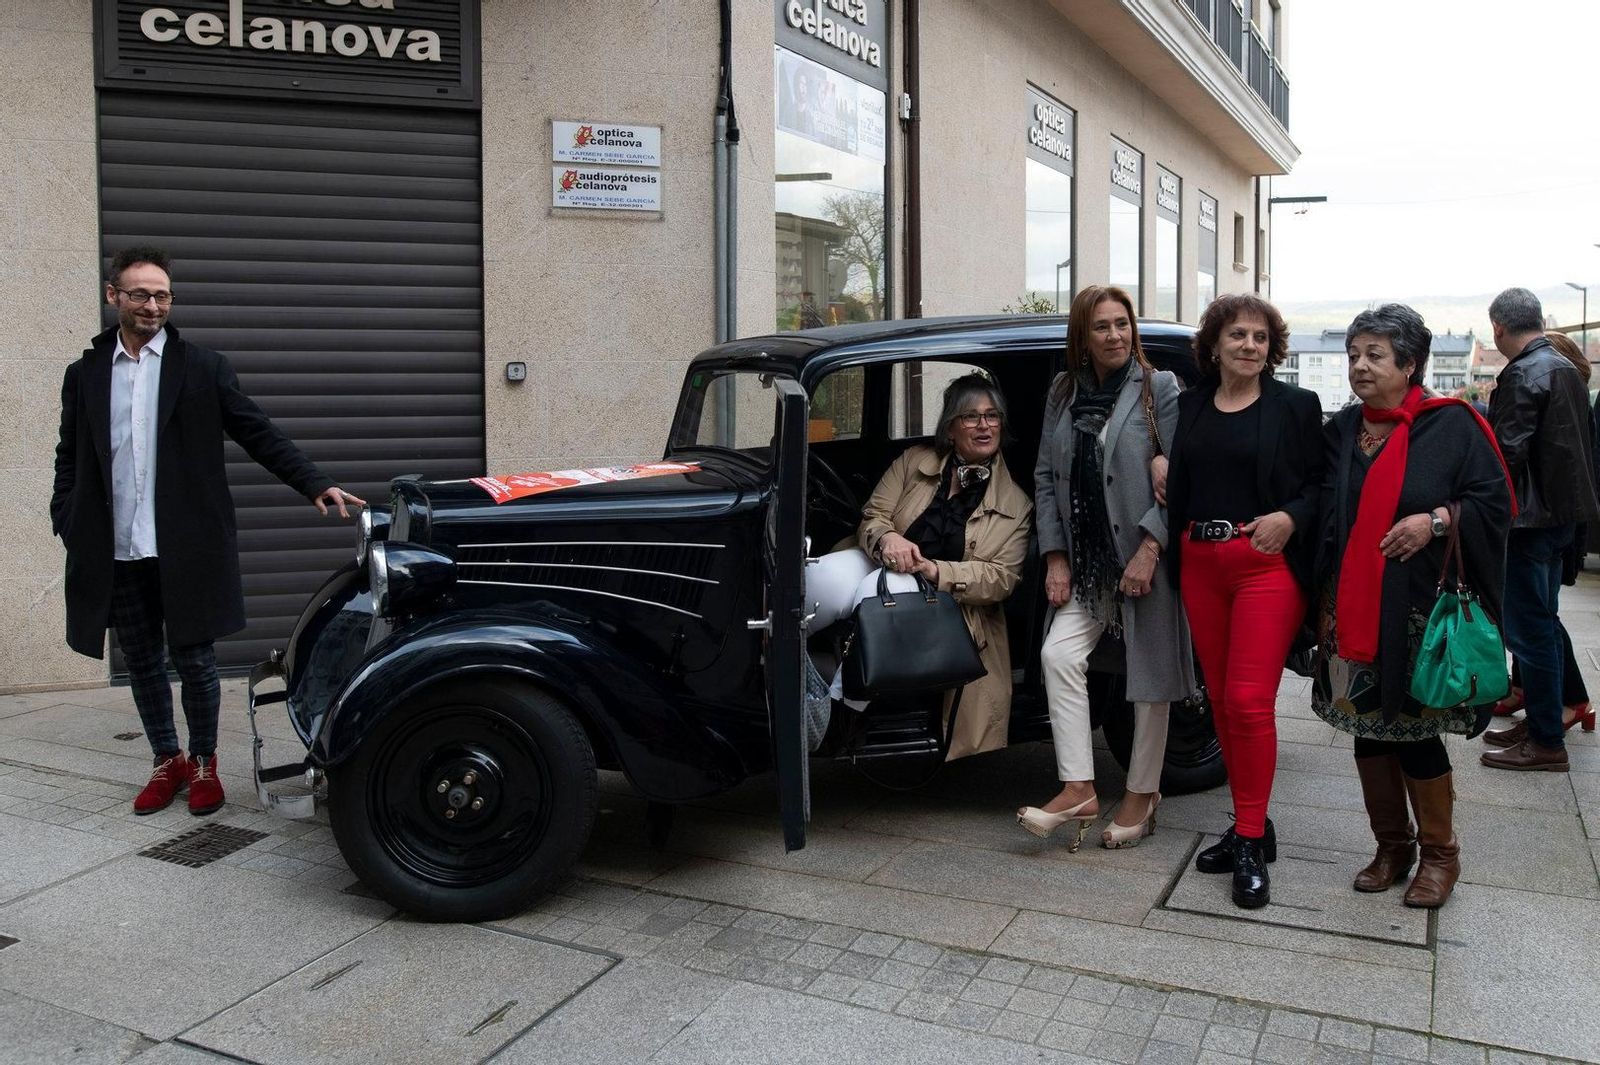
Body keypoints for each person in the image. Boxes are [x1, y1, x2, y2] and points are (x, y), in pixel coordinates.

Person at [51, 246, 364, 817]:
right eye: (141, 294)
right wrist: (65, 516)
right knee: (142, 659)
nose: (152, 304)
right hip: (115, 547)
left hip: (186, 544)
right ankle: (164, 760)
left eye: (162, 295)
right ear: (113, 296)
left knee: (194, 661)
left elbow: (257, 432)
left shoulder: (203, 368)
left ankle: (203, 764)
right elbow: (69, 455)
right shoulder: (86, 375)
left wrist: (313, 482)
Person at [1312, 305, 1514, 908]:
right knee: (1366, 729)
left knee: (1415, 734)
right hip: (1351, 606)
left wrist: (1437, 520)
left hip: (1419, 611)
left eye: (1375, 355)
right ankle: (1391, 846)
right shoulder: (1342, 432)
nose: (1360, 366)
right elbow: (1326, 520)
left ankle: (1441, 856)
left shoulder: (1454, 425)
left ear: (1410, 364)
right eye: (1354, 355)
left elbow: (1498, 503)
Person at [1017, 285, 1194, 851]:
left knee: (1150, 682)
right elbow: (1046, 476)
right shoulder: (1063, 391)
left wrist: (1151, 548)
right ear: (1082, 336)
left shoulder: (1158, 388)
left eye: (1122, 324)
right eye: (1102, 326)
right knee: (1058, 654)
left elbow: (1184, 480)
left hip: (1144, 558)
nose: (1115, 335)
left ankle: (1142, 795)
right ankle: (1079, 787)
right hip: (1087, 563)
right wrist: (1055, 557)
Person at [1164, 293, 1323, 909]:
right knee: (1224, 703)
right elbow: (1182, 476)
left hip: (1264, 566)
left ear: (1272, 346)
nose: (1250, 346)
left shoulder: (1296, 407)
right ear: (1215, 344)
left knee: (1251, 702)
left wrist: (1291, 515)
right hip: (1200, 566)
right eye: (1238, 336)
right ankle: (1250, 822)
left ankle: (1251, 840)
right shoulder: (1192, 404)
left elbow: (1321, 483)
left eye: (1260, 337)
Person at [804, 374, 1032, 760]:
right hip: (883, 558)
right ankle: (777, 662)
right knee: (819, 575)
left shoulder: (1016, 503)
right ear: (951, 426)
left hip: (943, 598)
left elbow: (1001, 578)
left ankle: (840, 715)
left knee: (880, 591)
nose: (984, 425)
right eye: (971, 417)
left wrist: (935, 571)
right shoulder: (915, 461)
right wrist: (888, 539)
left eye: (992, 417)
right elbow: (874, 514)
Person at [1482, 288, 1600, 772]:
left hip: (1528, 522)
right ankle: (1543, 724)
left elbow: (1507, 454)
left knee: (1530, 633)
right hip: (1558, 519)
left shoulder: (1524, 371)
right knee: (1543, 627)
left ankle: (1548, 740)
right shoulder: (1563, 367)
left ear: (1498, 328)